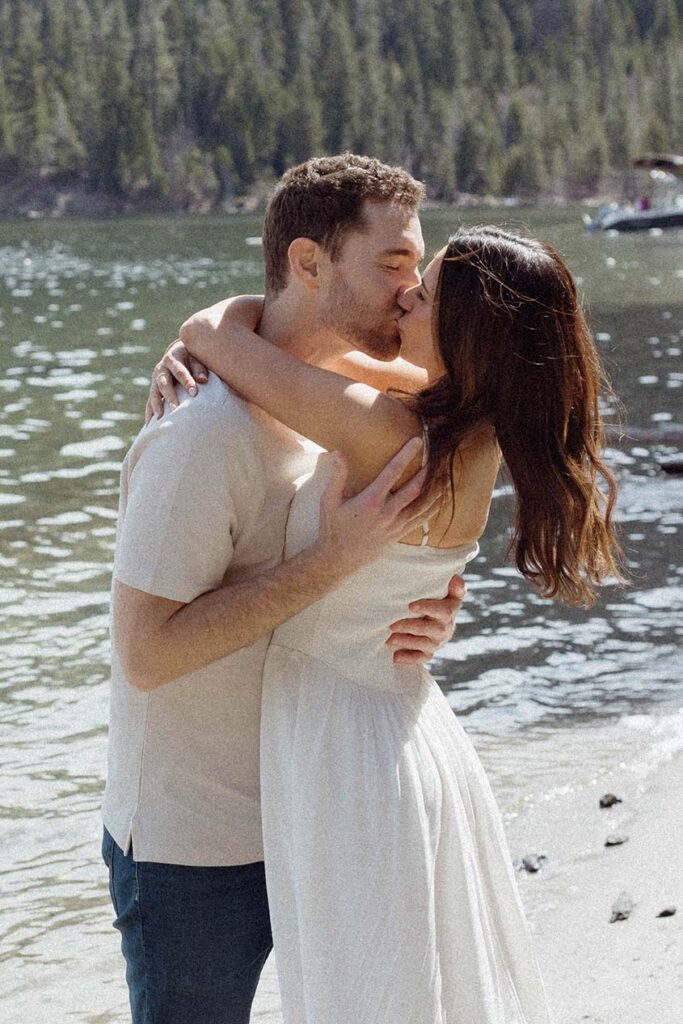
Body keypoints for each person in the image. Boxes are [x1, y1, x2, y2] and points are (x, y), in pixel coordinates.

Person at [150, 224, 622, 1023]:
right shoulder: (469, 427)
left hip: (348, 747)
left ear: (469, 334)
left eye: (426, 292)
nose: (406, 293)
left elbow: (216, 336)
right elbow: (302, 355)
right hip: (395, 725)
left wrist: (188, 342)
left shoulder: (386, 430)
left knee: (361, 992)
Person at [102, 153, 467, 1024]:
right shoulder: (202, 435)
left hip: (315, 806)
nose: (410, 293)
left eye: (417, 269)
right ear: (309, 263)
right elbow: (146, 654)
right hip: (196, 850)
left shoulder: (341, 405)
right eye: (392, 265)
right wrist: (330, 566)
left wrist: (416, 612)